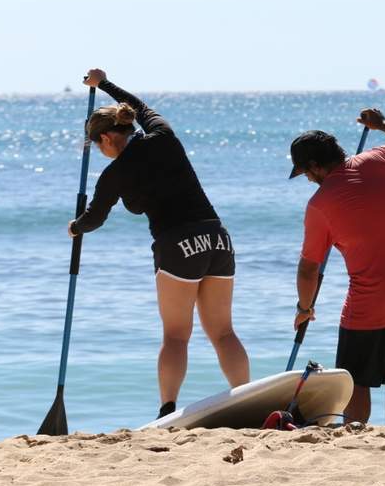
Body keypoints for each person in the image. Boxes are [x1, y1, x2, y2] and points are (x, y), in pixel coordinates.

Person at [69, 70, 250, 418]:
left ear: (106, 138)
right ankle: (247, 395)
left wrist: (75, 228)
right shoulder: (163, 135)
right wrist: (103, 83)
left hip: (177, 243)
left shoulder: (115, 174)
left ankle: (167, 408)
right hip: (217, 237)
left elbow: (94, 218)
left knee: (176, 336)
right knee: (223, 332)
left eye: (98, 146)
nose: (101, 152)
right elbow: (140, 106)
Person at [290, 109, 385, 425]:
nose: (308, 179)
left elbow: (308, 269)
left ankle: (355, 436)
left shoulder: (320, 203)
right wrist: (383, 125)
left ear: (316, 166)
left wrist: (304, 308)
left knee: (356, 381)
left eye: (306, 173)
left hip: (370, 304)